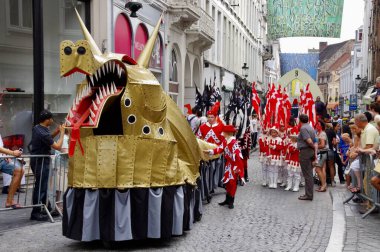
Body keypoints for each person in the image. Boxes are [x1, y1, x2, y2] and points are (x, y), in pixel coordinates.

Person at [30, 110, 65, 221]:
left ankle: (46, 208)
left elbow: (48, 138)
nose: (52, 120)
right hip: (40, 161)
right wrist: (63, 133)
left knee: (43, 186)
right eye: (51, 119)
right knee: (41, 187)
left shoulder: (38, 128)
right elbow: (58, 147)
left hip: (39, 160)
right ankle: (35, 212)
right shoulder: (42, 132)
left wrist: (57, 132)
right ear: (47, 120)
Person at [205, 125, 244, 209]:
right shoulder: (225, 141)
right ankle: (227, 199)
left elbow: (238, 157)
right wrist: (211, 151)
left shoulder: (234, 143)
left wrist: (238, 170)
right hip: (228, 165)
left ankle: (231, 201)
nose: (222, 134)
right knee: (227, 183)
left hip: (234, 166)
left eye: (224, 132)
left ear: (228, 133)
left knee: (232, 183)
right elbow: (220, 149)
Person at [0, 135, 23, 208]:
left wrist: (6, 154)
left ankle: (10, 200)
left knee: (19, 171)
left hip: (1, 159)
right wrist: (11, 152)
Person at [297, 114, 316, 201]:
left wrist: (313, 147)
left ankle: (308, 195)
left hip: (306, 151)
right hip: (309, 151)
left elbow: (308, 140)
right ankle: (309, 193)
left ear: (300, 120)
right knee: (309, 174)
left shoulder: (303, 128)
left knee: (307, 175)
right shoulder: (310, 127)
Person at [267, 124, 284, 189]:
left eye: (274, 132)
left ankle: (275, 182)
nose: (273, 134)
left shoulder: (279, 139)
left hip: (277, 157)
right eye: (272, 132)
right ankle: (271, 182)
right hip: (270, 157)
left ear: (277, 133)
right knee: (270, 170)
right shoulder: (268, 139)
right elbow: (267, 148)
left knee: (276, 170)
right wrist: (268, 156)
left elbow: (281, 147)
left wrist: (274, 146)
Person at [284, 127, 301, 192]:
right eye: (292, 137)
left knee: (296, 174)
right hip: (291, 161)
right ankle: (289, 185)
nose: (292, 139)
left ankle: (296, 186)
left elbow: (292, 151)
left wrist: (290, 150)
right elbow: (288, 151)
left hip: (296, 160)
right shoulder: (290, 145)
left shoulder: (298, 145)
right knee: (290, 174)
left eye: (293, 138)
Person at [314, 120, 329, 192]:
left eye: (318, 125)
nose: (317, 126)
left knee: (318, 169)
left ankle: (323, 185)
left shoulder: (322, 134)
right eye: (316, 124)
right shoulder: (318, 133)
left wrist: (315, 146)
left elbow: (322, 145)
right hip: (321, 154)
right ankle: (323, 185)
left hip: (322, 153)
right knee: (322, 170)